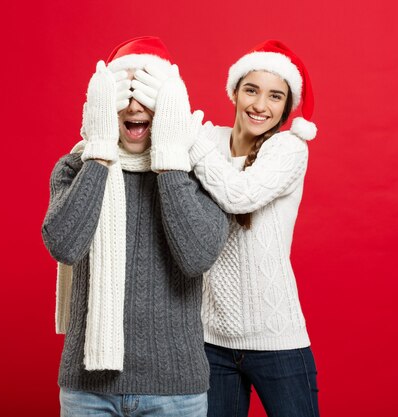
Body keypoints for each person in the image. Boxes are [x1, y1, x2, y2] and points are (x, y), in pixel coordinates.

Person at [41, 36, 228, 417]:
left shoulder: (202, 173)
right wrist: (98, 151)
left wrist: (171, 158)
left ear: (169, 106)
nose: (134, 105)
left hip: (175, 391)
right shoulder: (75, 167)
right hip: (87, 391)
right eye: (123, 92)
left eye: (147, 92)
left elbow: (197, 257)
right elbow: (64, 244)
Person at [134, 40, 319, 417]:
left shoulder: (288, 149)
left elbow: (239, 195)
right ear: (234, 91)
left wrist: (191, 138)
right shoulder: (207, 139)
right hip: (209, 341)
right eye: (251, 89)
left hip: (277, 339)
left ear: (286, 107)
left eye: (275, 96)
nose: (260, 105)